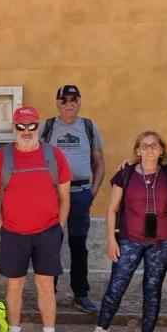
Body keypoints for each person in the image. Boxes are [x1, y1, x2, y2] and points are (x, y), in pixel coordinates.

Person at [0, 106, 71, 332]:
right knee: (14, 286)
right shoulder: (3, 157)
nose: (26, 131)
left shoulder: (54, 155)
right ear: (14, 129)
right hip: (14, 232)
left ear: (38, 126)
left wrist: (59, 226)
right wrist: (0, 222)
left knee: (46, 285)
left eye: (31, 125)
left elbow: (64, 197)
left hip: (47, 231)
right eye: (21, 126)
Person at [85, 131, 167, 332]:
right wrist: (110, 239)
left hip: (162, 241)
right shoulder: (125, 173)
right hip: (129, 239)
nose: (149, 149)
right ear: (137, 150)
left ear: (162, 150)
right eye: (143, 146)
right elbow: (112, 208)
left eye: (154, 145)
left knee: (152, 287)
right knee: (116, 285)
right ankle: (102, 329)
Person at [42, 84, 105, 314]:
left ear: (79, 102)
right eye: (64, 100)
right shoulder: (46, 127)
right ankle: (50, 293)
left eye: (73, 100)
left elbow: (99, 163)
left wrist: (93, 192)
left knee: (79, 245)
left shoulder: (89, 127)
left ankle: (81, 294)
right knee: (51, 244)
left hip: (80, 195)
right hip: (52, 196)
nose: (69, 104)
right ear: (57, 104)